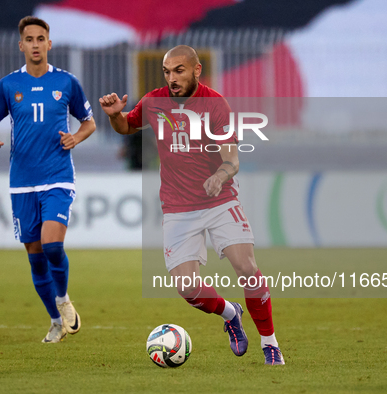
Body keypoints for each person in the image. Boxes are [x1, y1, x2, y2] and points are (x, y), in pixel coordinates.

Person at [99, 45, 285, 365]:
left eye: (179, 71)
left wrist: (220, 176)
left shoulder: (215, 105)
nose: (172, 78)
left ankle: (270, 343)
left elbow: (232, 160)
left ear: (196, 70)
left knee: (247, 268)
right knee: (188, 289)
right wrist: (116, 115)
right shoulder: (154, 101)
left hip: (219, 200)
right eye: (167, 72)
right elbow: (128, 127)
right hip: (177, 208)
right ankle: (230, 314)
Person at [0, 16, 95, 343]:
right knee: (34, 254)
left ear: (49, 43)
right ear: (21, 45)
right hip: (22, 182)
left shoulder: (67, 82)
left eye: (40, 38)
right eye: (29, 39)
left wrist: (76, 138)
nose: (35, 44)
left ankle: (62, 298)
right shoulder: (9, 85)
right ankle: (56, 321)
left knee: (52, 245)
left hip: (57, 176)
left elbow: (89, 122)